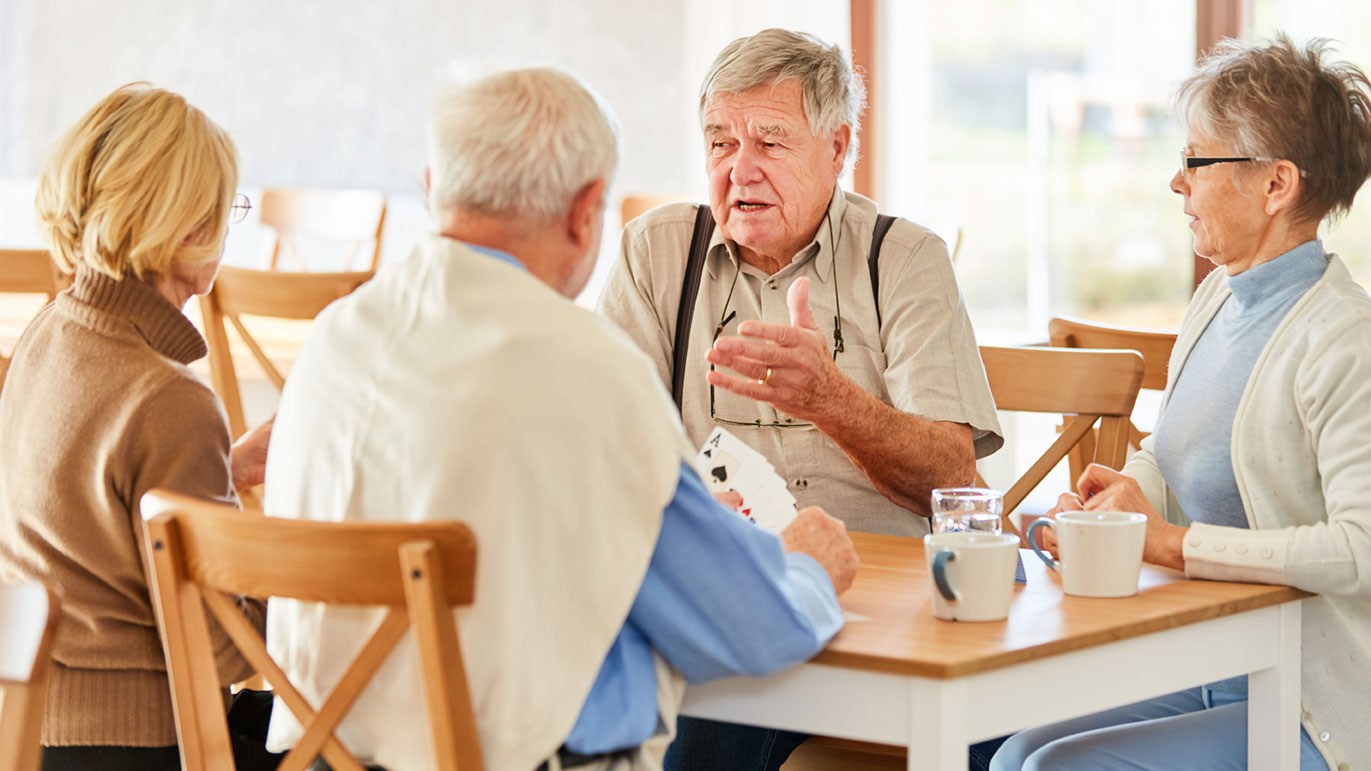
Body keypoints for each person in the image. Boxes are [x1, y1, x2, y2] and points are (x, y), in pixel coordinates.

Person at [261, 66, 859, 771]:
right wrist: (809, 571)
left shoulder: (334, 338)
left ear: (432, 186)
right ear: (585, 211)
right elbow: (749, 627)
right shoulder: (587, 370)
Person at [597, 28, 1003, 769]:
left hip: (886, 609)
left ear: (837, 145)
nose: (737, 169)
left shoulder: (902, 258)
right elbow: (601, 446)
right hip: (727, 591)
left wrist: (830, 399)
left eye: (771, 143)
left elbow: (955, 479)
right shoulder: (656, 252)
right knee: (673, 716)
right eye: (719, 141)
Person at [991, 35, 1371, 771]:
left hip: (1310, 701)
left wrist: (1169, 542)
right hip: (1205, 664)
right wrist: (1128, 495)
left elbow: (1360, 550)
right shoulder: (1214, 299)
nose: (1176, 181)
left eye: (1197, 161)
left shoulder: (1344, 340)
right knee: (1014, 753)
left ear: (1275, 184)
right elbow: (1170, 452)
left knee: (1047, 770)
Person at [0, 83, 278, 770]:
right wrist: (292, 573)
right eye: (227, 210)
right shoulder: (168, 397)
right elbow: (220, 650)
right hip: (139, 741)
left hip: (32, 722)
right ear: (187, 229)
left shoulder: (50, 331)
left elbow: (99, 504)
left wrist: (224, 469)